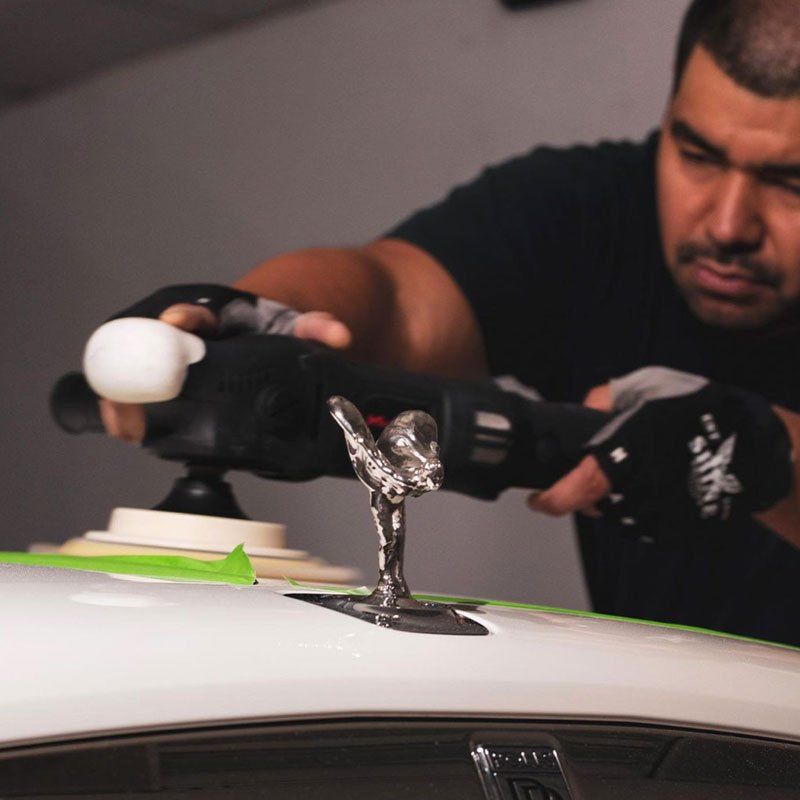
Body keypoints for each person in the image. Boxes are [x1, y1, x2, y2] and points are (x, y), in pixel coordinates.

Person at [102, 0, 800, 646]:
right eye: (697, 155)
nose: (728, 223)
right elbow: (394, 294)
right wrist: (239, 324)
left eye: (790, 182)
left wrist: (767, 456)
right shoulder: (596, 210)